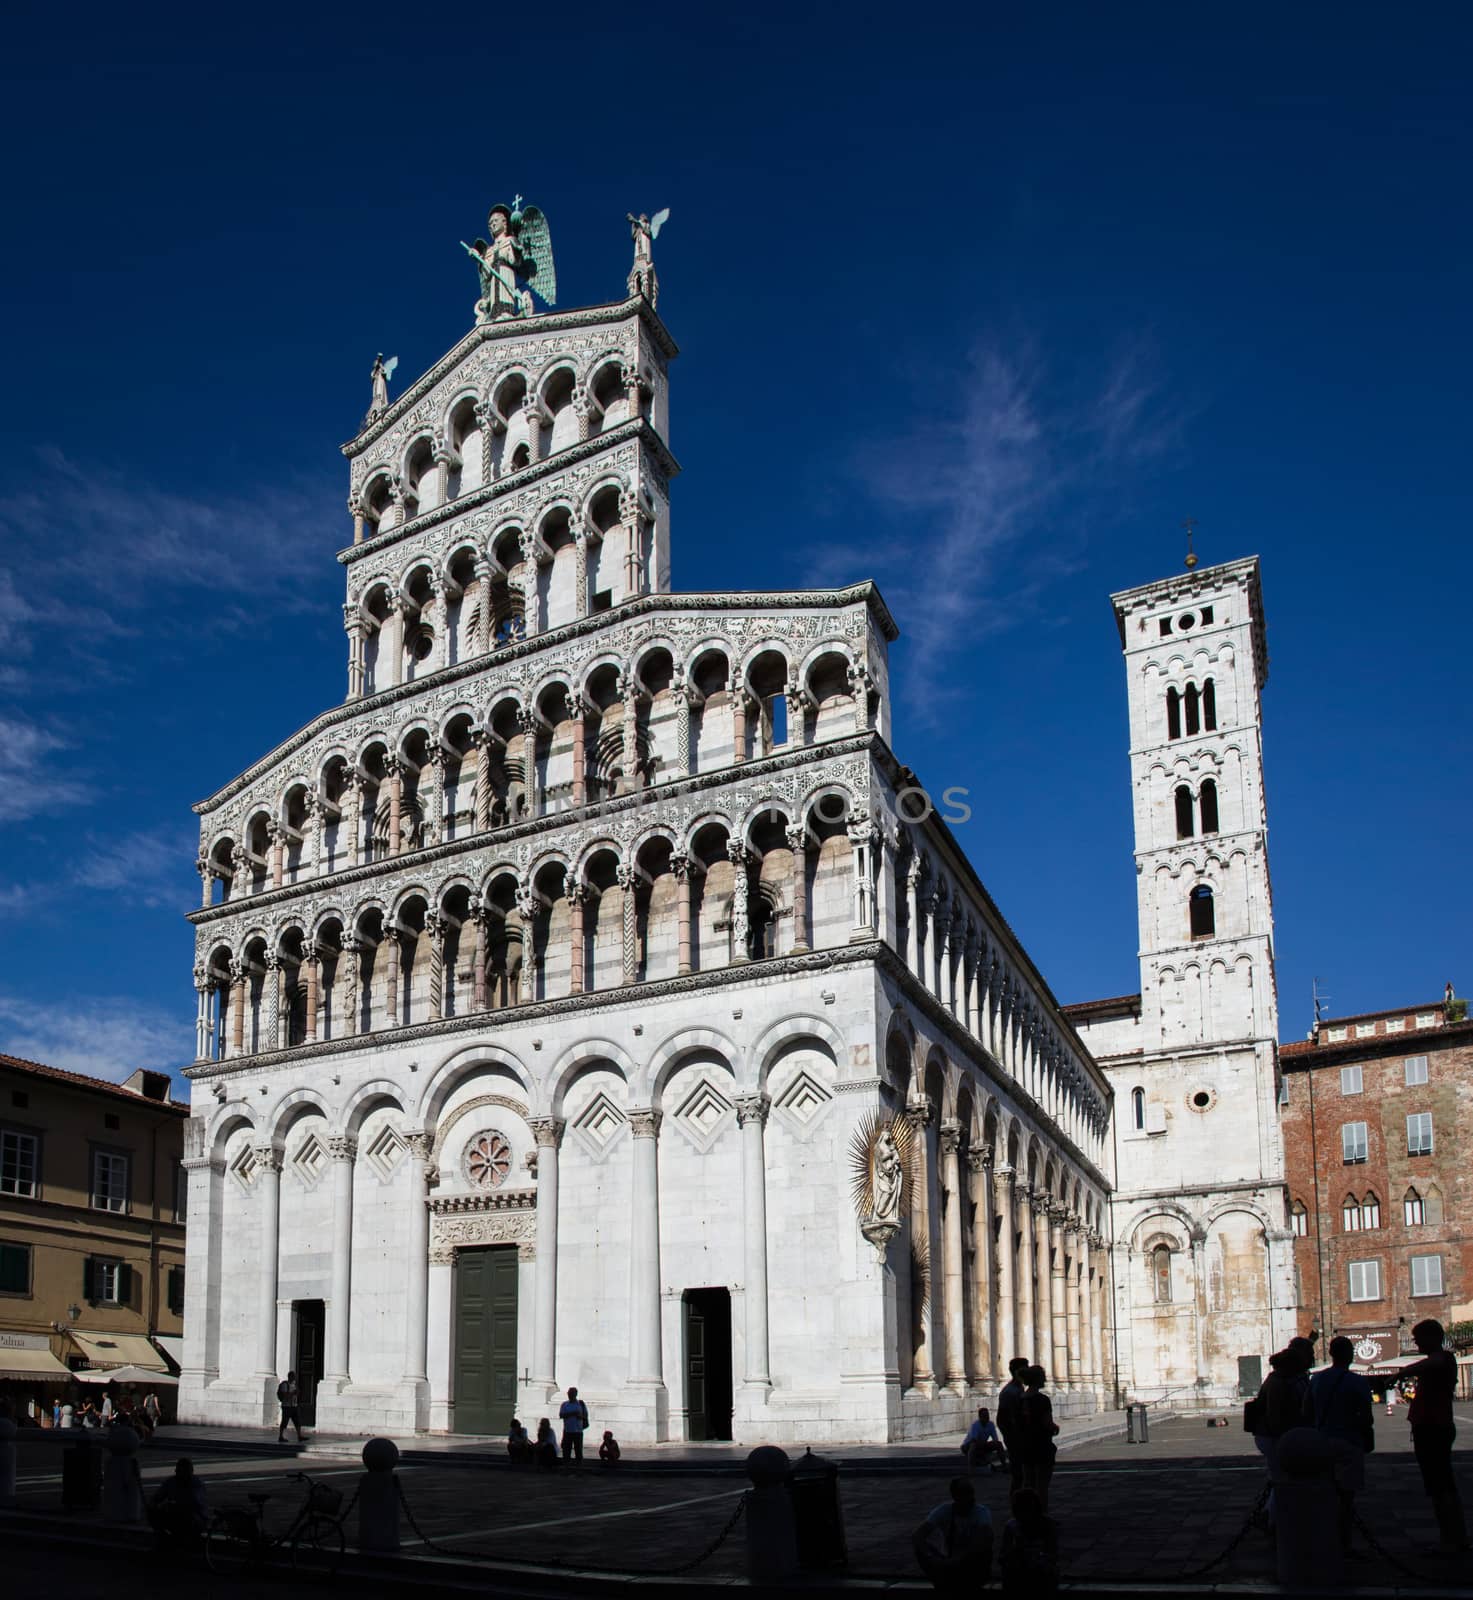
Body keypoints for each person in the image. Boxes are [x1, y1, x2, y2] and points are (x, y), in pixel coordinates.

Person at [1399, 1319, 1470, 1554]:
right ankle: (1450, 1537)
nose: (1416, 1342)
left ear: (1432, 1338)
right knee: (1437, 1486)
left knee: (1442, 1486)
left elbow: (1434, 1361)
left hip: (1434, 1427)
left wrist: (1402, 1372)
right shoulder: (1435, 1363)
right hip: (1429, 1426)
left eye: (1419, 1338)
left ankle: (1453, 1540)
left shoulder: (1444, 1359)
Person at [1306, 1334, 1374, 1554]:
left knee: (1323, 1495)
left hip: (1321, 1441)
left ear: (1331, 1354)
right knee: (1345, 1498)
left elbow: (1306, 1411)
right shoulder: (1358, 1381)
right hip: (1348, 1441)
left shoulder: (1316, 1380)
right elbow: (1366, 1416)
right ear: (1351, 1355)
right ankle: (1343, 1543)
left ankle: (1322, 1540)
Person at [1250, 1343, 1313, 1525]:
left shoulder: (1276, 1379)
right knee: (1282, 1479)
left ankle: (1270, 1514)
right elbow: (1276, 1414)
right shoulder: (1280, 1382)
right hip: (1276, 1437)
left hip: (1272, 1435)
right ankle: (1273, 1519)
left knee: (1280, 1478)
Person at [912, 1476, 993, 1592]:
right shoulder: (944, 1510)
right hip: (947, 1560)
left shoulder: (981, 1512)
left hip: (969, 1561)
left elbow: (986, 1538)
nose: (970, 1496)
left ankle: (952, 1579)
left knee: (983, 1548)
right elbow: (917, 1535)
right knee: (920, 1548)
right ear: (955, 1496)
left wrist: (959, 1558)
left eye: (971, 1491)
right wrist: (933, 1558)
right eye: (965, 1492)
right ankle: (946, 1577)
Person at [999, 1487, 1060, 1596]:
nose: (1024, 1516)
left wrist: (1039, 1559)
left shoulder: (1047, 1524)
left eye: (1027, 1510)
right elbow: (1003, 1556)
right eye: (1020, 1511)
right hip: (1019, 1569)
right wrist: (1014, 1554)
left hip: (1040, 1570)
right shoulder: (1011, 1526)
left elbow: (1053, 1555)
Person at [1019, 1366, 1059, 1510]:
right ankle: (1041, 1515)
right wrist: (1055, 1428)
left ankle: (1025, 1513)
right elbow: (1047, 1423)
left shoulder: (1020, 1398)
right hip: (1041, 1445)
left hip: (1025, 1444)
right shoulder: (1042, 1400)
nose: (1045, 1378)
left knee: (1028, 1483)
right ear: (1038, 1379)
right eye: (1043, 1376)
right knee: (1042, 1486)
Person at [149, 1457, 208, 1550]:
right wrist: (156, 1506)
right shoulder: (171, 1482)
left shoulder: (196, 1484)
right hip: (178, 1515)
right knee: (156, 1514)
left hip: (196, 1518)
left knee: (185, 1518)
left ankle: (180, 1544)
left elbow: (195, 1504)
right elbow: (156, 1497)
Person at [996, 1357, 1031, 1493]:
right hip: (1016, 1438)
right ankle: (1016, 1504)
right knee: (1018, 1475)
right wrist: (1013, 1438)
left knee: (1022, 1475)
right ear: (1017, 1372)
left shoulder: (1018, 1388)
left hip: (1020, 1437)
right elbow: (1003, 1419)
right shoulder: (1010, 1392)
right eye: (1025, 1368)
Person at [961, 1406, 1006, 1474]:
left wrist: (993, 1444)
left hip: (982, 1444)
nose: (987, 1417)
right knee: (973, 1445)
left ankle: (1004, 1465)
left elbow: (995, 1439)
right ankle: (970, 1468)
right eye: (984, 1416)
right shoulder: (976, 1425)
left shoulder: (990, 1424)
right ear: (980, 1417)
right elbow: (974, 1440)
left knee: (999, 1444)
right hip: (967, 1445)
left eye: (987, 1415)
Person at [558, 1385, 589, 1462]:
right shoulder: (564, 1404)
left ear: (575, 1394)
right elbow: (561, 1415)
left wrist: (580, 1416)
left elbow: (585, 1416)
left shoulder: (580, 1404)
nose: (570, 1395)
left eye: (572, 1394)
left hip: (578, 1431)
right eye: (569, 1394)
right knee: (566, 1451)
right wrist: (573, 1413)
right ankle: (567, 1468)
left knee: (578, 1451)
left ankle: (578, 1469)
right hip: (567, 1430)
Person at [276, 1371, 304, 1443]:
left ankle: (299, 1436)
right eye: (293, 1376)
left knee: (297, 1421)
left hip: (294, 1406)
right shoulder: (285, 1385)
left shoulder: (294, 1385)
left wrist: (297, 1394)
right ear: (290, 1377)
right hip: (287, 1406)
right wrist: (293, 1393)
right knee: (284, 1422)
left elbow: (297, 1395)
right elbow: (285, 1396)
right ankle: (281, 1436)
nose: (295, 1378)